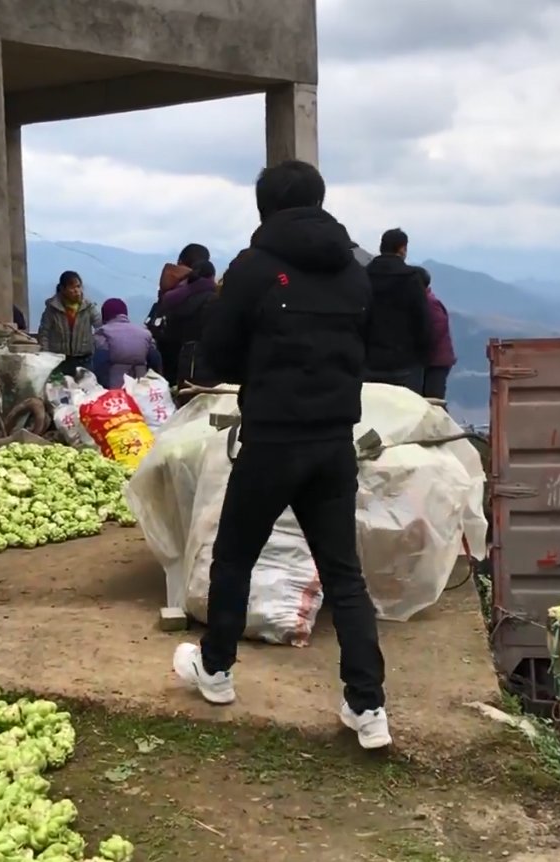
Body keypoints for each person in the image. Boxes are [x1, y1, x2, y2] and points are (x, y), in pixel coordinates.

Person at [171, 159, 392, 750]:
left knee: (235, 555)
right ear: (320, 202)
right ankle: (367, 707)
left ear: (265, 207)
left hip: (272, 438)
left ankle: (215, 672)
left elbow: (215, 355)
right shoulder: (355, 271)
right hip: (333, 443)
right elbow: (365, 350)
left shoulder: (254, 267)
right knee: (344, 576)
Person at [364, 228, 431, 393]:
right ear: (402, 248)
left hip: (369, 360)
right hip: (405, 360)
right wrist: (423, 354)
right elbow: (421, 319)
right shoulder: (411, 278)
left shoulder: (364, 276)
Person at [147, 245, 216, 385]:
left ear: (180, 262)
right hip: (202, 365)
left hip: (167, 361)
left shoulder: (168, 295)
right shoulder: (213, 297)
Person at [36, 271, 101, 377]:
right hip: (60, 360)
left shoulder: (88, 307)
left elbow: (99, 325)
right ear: (62, 289)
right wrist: (46, 355)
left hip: (84, 359)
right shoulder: (53, 308)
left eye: (78, 286)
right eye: (72, 287)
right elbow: (44, 332)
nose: (76, 291)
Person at [93, 298, 162, 388]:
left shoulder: (103, 332)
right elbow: (154, 359)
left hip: (115, 388)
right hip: (140, 387)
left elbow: (100, 362)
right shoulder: (144, 333)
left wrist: (102, 386)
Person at [413, 266, 456, 401]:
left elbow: (437, 330)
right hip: (434, 359)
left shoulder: (429, 303)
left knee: (433, 400)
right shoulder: (426, 301)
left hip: (435, 361)